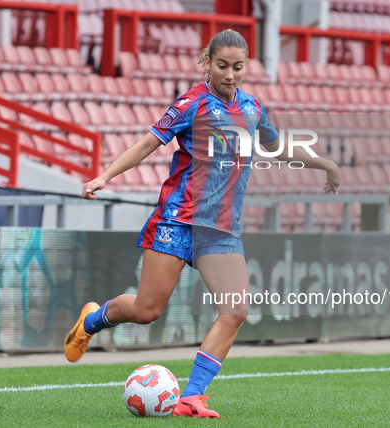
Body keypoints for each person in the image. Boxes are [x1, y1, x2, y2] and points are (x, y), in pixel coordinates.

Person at [65, 29, 342, 418]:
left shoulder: (251, 107)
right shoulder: (190, 103)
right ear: (207, 62)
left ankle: (191, 397)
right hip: (178, 220)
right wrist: (105, 176)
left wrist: (323, 163)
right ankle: (93, 318)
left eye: (238, 67)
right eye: (222, 65)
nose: (230, 74)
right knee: (147, 310)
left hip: (220, 229)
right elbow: (147, 143)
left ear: (247, 67)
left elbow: (274, 146)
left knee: (236, 309)